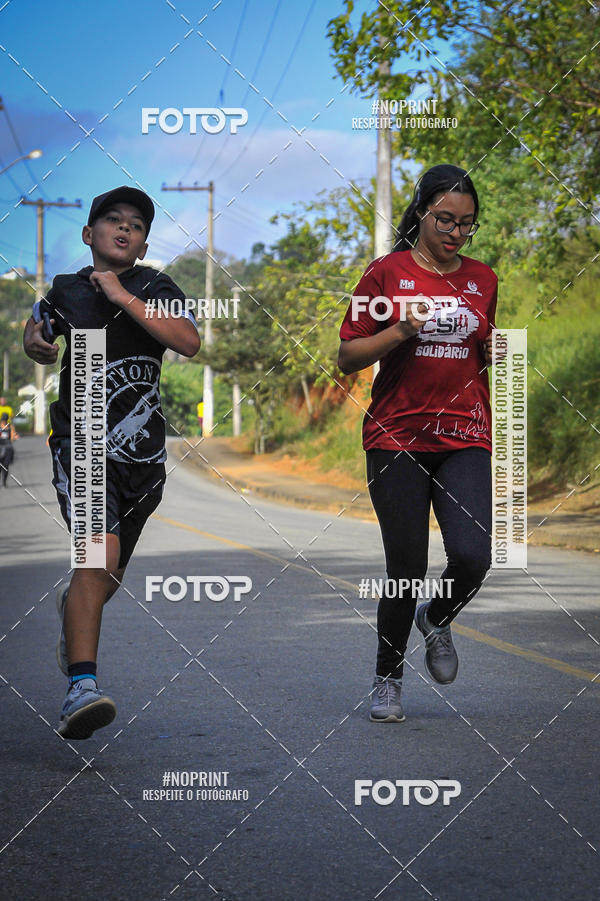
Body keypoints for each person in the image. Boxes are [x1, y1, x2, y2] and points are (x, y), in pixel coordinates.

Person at [23, 186, 200, 739]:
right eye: (113, 220)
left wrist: (122, 294)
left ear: (144, 241)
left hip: (143, 453)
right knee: (98, 557)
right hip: (82, 439)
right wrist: (37, 343)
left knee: (106, 575)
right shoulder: (67, 291)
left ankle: (75, 609)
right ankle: (82, 687)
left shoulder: (154, 286)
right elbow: (37, 329)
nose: (125, 229)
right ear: (89, 234)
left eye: (137, 225)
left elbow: (187, 341)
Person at [338, 164, 498, 723]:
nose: (455, 232)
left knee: (476, 553)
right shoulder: (386, 273)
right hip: (397, 436)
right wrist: (401, 329)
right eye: (445, 219)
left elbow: (480, 344)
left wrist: (492, 353)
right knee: (406, 564)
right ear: (422, 213)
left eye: (467, 224)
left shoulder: (484, 279)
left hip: (466, 433)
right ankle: (386, 679)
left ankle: (439, 614)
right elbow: (348, 357)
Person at [0, 411, 18, 486]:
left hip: (8, 448)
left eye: (5, 420)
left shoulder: (10, 427)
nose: (4, 421)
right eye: (3, 420)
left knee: (6, 466)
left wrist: (14, 437)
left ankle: (4, 481)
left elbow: (13, 437)